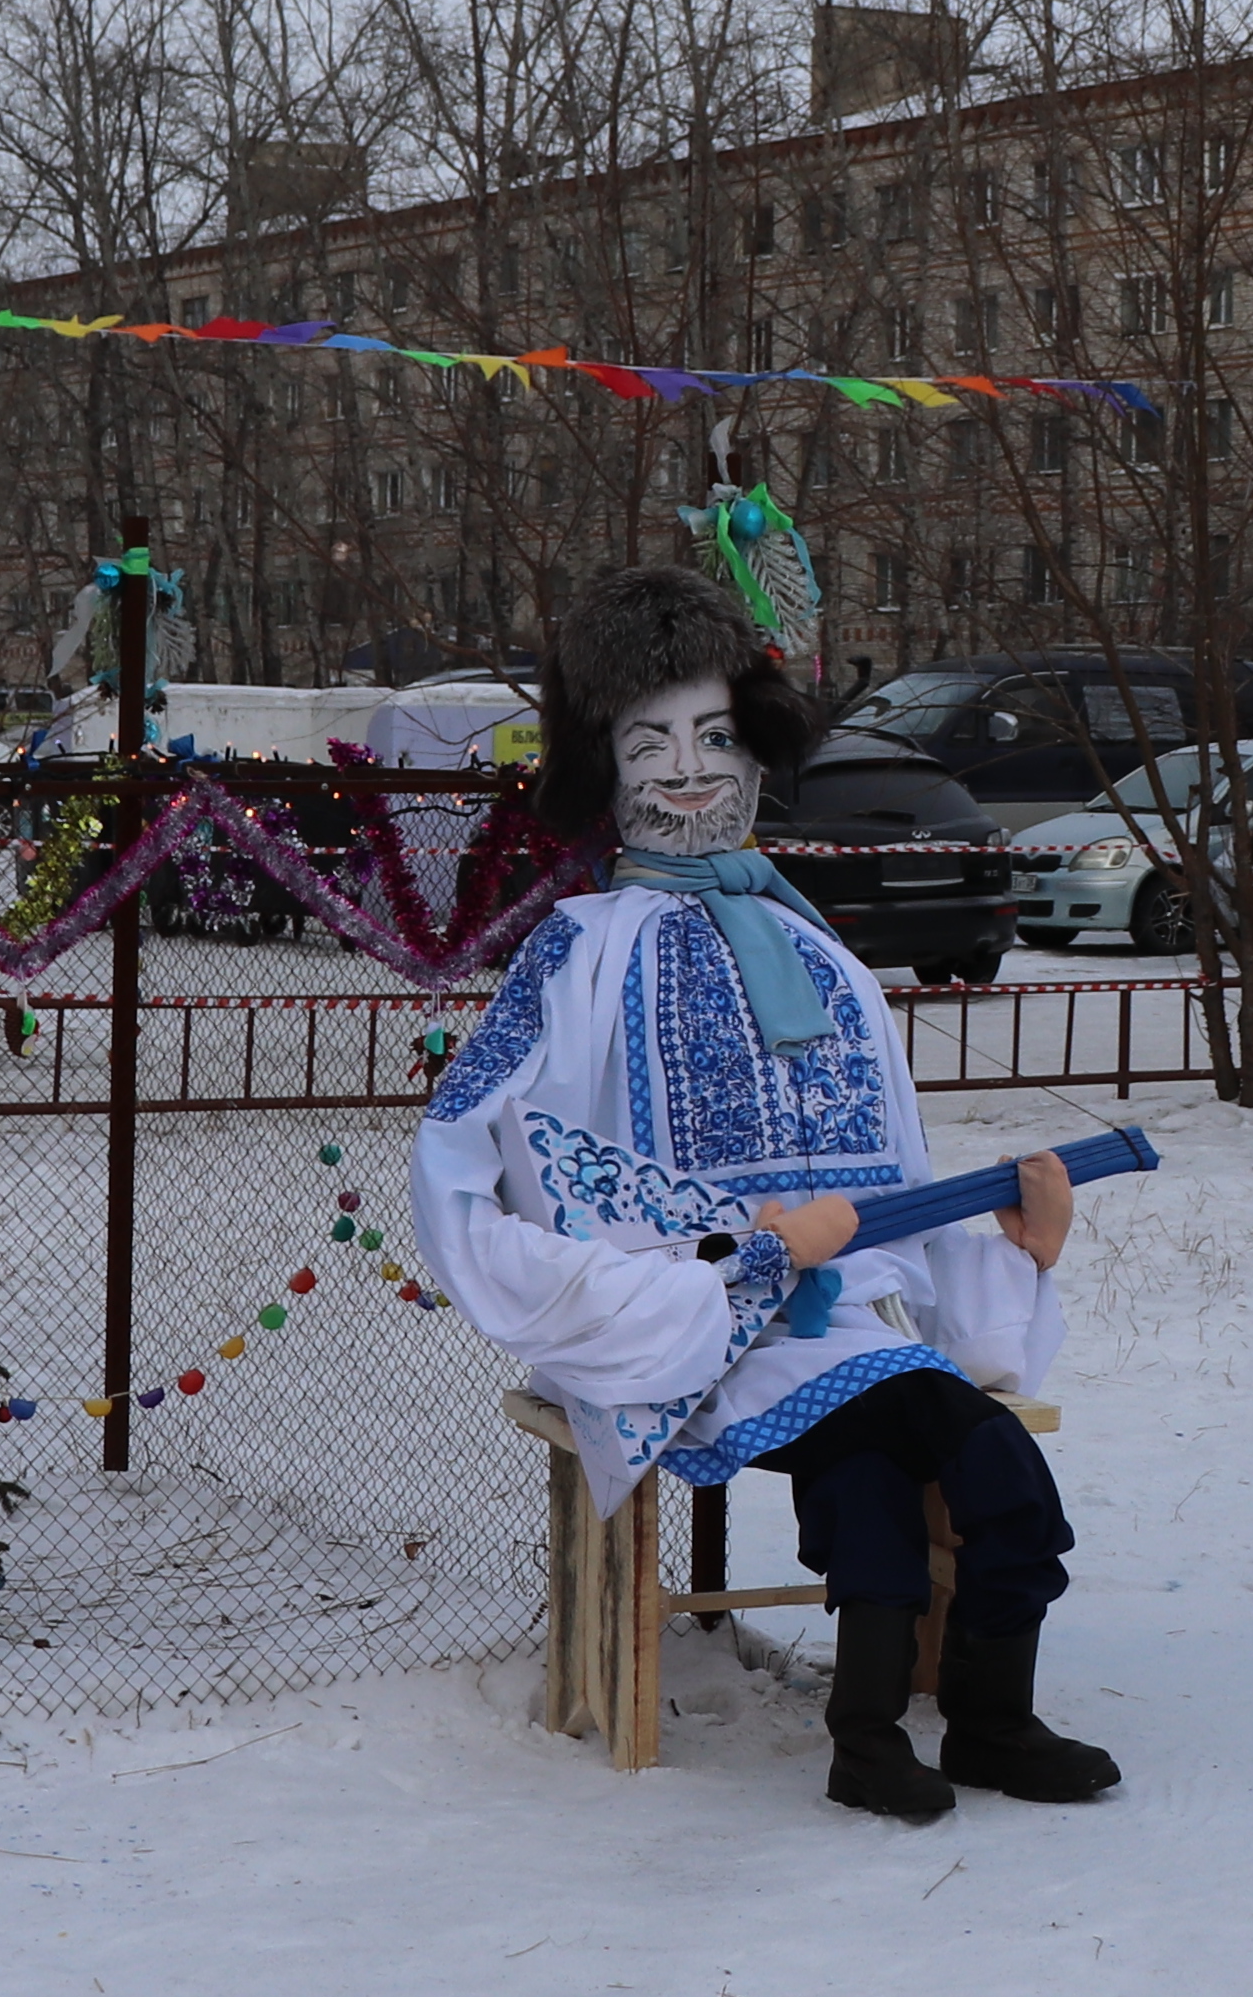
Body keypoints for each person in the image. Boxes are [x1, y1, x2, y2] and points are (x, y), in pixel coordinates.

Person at [405, 562, 1120, 1822]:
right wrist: (695, 1279)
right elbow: (460, 1168)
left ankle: (993, 1720)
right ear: (602, 768)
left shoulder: (820, 955)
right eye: (650, 742)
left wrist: (1015, 1250)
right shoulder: (571, 955)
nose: (688, 770)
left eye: (716, 736)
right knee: (868, 1482)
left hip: (847, 1333)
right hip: (683, 1334)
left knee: (1002, 1473)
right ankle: (863, 1740)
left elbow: (899, 1178)